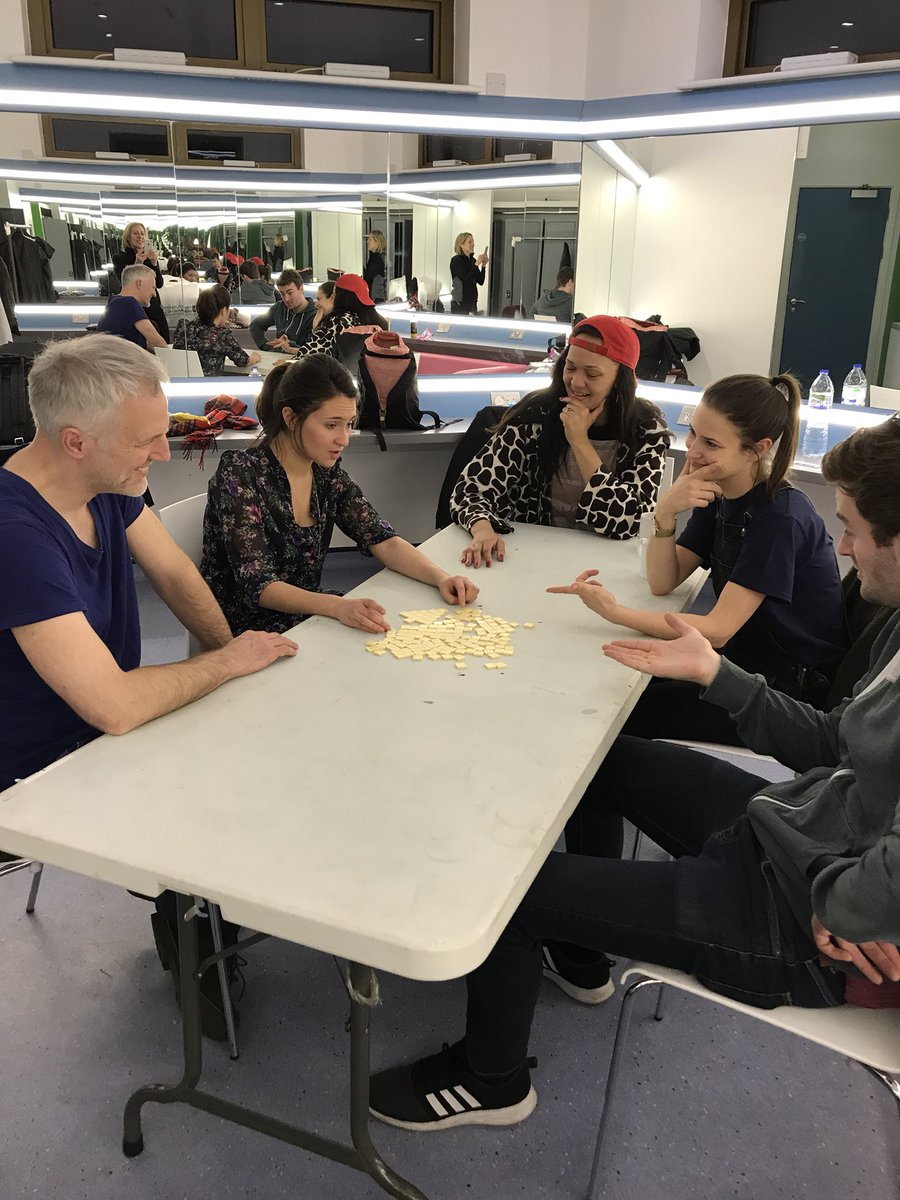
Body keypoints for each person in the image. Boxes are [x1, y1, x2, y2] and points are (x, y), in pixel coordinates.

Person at [368, 414, 900, 1133]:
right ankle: (582, 952)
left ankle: (490, 1079)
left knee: (504, 899)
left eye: (855, 530)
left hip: (796, 920)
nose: (842, 546)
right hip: (794, 830)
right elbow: (838, 743)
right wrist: (717, 672)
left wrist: (850, 902)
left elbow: (870, 887)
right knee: (597, 759)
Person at [0, 335, 298, 1031]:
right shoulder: (15, 533)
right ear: (77, 441)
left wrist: (237, 655)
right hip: (44, 767)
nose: (163, 454)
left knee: (262, 743)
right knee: (216, 794)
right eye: (148, 440)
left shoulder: (107, 484)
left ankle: (202, 911)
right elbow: (113, 707)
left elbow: (175, 576)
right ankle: (193, 935)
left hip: (113, 721)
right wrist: (226, 665)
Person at [549, 373, 848, 743]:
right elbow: (663, 581)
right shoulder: (721, 492)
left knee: (618, 711)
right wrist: (665, 514)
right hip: (743, 662)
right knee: (607, 682)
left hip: (786, 691)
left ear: (757, 448)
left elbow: (720, 628)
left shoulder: (779, 518)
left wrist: (615, 613)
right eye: (693, 433)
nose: (692, 451)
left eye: (710, 443)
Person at [200, 354, 477, 636]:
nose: (343, 439)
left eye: (349, 424)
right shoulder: (239, 474)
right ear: (290, 418)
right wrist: (336, 606)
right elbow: (259, 585)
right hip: (245, 631)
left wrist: (441, 577)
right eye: (331, 425)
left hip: (308, 616)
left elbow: (381, 538)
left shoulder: (326, 474)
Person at [451, 315, 671, 564]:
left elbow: (628, 522)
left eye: (592, 374)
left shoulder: (645, 431)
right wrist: (482, 529)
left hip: (608, 565)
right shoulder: (535, 416)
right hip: (531, 558)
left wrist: (580, 442)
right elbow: (469, 490)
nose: (576, 382)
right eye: (571, 367)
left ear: (620, 381)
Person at [284, 273, 387, 362]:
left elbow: (311, 355)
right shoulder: (377, 323)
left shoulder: (337, 320)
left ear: (340, 296)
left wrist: (318, 328)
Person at [171, 285, 262, 377]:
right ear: (223, 310)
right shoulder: (222, 337)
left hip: (180, 384)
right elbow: (244, 361)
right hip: (209, 387)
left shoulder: (184, 328)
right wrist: (255, 357)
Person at [112, 222, 169, 343]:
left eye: (142, 234)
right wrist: (138, 262)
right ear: (128, 237)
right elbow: (126, 283)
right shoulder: (120, 258)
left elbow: (159, 283)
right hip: (133, 305)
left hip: (152, 306)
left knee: (162, 340)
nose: (140, 236)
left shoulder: (150, 257)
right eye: (135, 233)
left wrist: (154, 263)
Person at [96, 264, 168, 352]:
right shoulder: (128, 303)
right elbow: (157, 342)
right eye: (153, 288)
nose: (154, 294)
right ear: (140, 284)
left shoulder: (115, 302)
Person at [249, 267, 316, 354]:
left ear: (301, 289)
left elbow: (312, 351)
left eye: (290, 293)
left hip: (303, 364)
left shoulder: (315, 316)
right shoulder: (279, 308)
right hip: (279, 361)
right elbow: (255, 325)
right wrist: (267, 347)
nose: (286, 299)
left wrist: (289, 345)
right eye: (282, 294)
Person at [450, 232, 488, 315]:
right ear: (461, 245)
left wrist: (483, 266)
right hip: (460, 303)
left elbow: (480, 281)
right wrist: (477, 264)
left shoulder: (473, 261)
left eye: (473, 241)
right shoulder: (456, 260)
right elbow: (466, 280)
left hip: (472, 302)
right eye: (470, 242)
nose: (473, 244)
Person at [363, 229, 387, 304]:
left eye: (370, 239)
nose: (367, 242)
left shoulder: (377, 259)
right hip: (375, 295)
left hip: (375, 297)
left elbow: (368, 276)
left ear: (377, 242)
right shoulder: (375, 257)